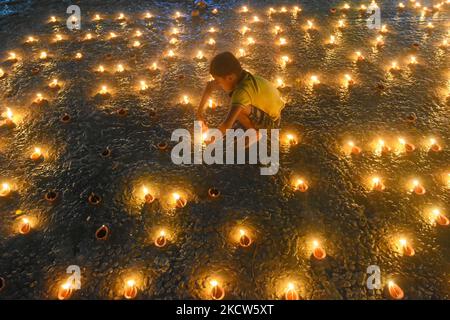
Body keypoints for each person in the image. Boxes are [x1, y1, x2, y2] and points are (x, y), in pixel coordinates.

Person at [196, 52, 284, 139]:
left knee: (237, 108)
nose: (218, 84)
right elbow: (210, 86)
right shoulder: (243, 76)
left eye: (219, 82)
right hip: (272, 111)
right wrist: (199, 113)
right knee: (237, 104)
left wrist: (211, 140)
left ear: (230, 77)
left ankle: (254, 133)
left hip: (272, 123)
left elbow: (227, 124)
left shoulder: (242, 92)